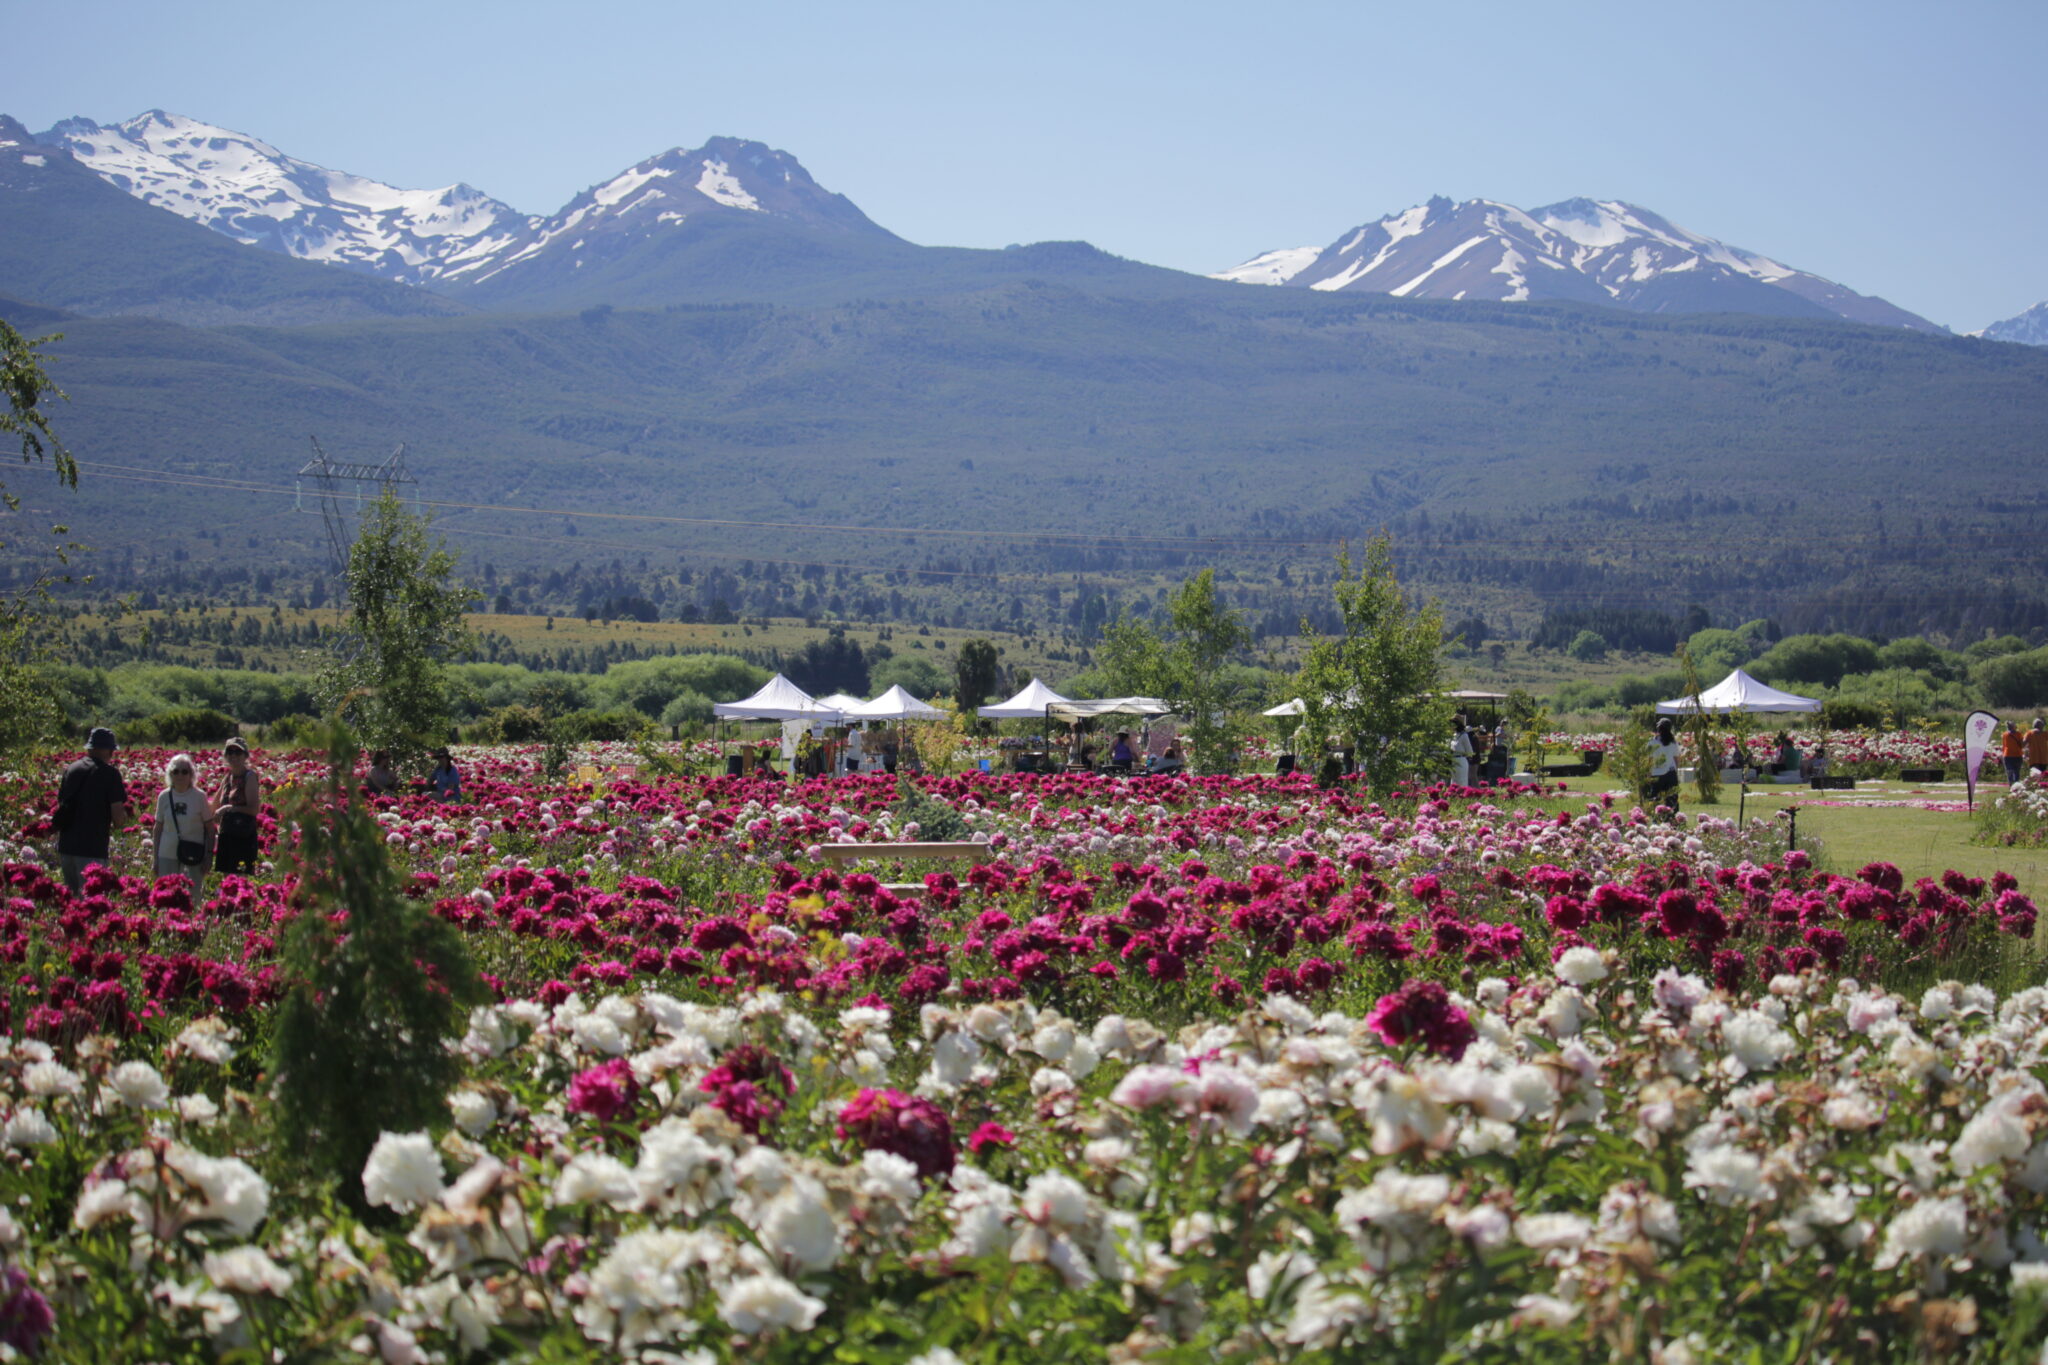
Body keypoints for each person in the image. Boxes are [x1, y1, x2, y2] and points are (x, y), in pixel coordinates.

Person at [52, 726, 131, 893]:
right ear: (109, 751)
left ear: (89, 747)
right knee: (92, 900)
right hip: (92, 849)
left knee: (71, 899)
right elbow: (118, 817)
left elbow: (61, 803)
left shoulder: (71, 769)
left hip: (66, 847)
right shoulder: (110, 774)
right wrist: (124, 819)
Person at [150, 753, 215, 881]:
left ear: (191, 775)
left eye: (184, 772)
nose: (180, 775)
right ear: (170, 774)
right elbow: (158, 829)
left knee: (192, 892)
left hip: (193, 855)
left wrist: (209, 856)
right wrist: (155, 858)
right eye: (176, 771)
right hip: (167, 855)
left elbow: (210, 829)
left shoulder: (199, 796)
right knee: (167, 891)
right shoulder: (164, 796)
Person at [213, 738, 263, 878]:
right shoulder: (227, 777)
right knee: (227, 881)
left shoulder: (249, 776)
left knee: (240, 882)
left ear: (245, 755)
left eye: (238, 752)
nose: (233, 755)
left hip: (243, 836)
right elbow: (214, 806)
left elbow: (254, 809)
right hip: (226, 835)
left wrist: (229, 808)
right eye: (230, 752)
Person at [1647, 718, 1682, 815]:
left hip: (1656, 774)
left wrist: (1648, 774)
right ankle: (1672, 817)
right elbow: (1676, 759)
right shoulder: (1673, 743)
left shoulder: (1652, 743)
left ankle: (1656, 817)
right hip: (1670, 773)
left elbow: (1649, 760)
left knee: (1655, 798)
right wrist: (1676, 772)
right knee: (1672, 799)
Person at [1451, 719, 1474, 786]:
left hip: (1461, 760)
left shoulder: (1464, 735)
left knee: (1461, 781)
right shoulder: (1453, 735)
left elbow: (1470, 751)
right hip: (1453, 760)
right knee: (1453, 781)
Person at [2003, 721, 2026, 786]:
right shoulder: (2018, 734)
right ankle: (2016, 785)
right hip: (2017, 755)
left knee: (2010, 771)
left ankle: (2011, 784)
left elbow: (2004, 745)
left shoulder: (2005, 734)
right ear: (2014, 727)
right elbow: (2022, 744)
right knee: (2016, 771)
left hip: (2008, 755)